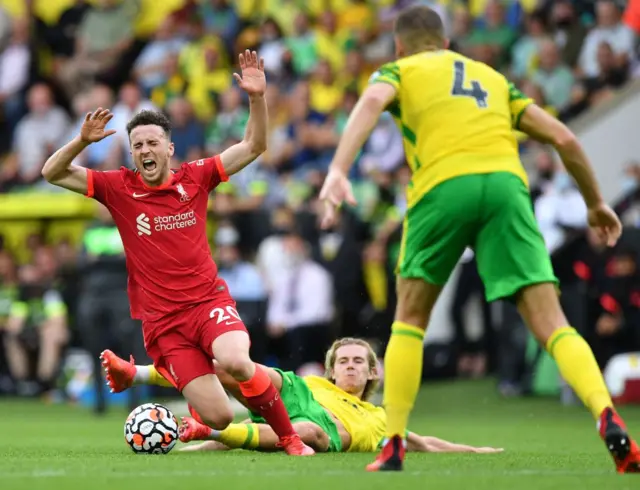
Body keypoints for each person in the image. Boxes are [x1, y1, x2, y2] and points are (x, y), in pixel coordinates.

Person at [318, 5, 639, 473]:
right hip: (507, 187)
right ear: (447, 45)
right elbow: (565, 139)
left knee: (408, 320)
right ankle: (607, 415)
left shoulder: (399, 69)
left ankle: (393, 445)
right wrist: (595, 203)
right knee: (553, 324)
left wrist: (339, 169)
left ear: (400, 45)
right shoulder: (490, 77)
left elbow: (369, 104)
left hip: (443, 186)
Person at [41, 50, 313, 456]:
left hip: (208, 302)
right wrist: (81, 140)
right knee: (219, 418)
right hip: (164, 322)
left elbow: (255, 144)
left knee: (237, 361)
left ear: (170, 148)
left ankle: (291, 438)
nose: (145, 150)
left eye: (152, 142)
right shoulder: (119, 187)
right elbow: (52, 172)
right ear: (132, 153)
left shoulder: (197, 176)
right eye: (137, 145)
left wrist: (257, 97)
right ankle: (166, 377)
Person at [101, 337, 503, 454]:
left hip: (328, 427)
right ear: (331, 368)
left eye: (358, 361)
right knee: (232, 367)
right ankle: (133, 374)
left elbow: (422, 442)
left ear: (372, 371)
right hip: (298, 393)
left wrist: (475, 451)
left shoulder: (382, 418)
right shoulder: (315, 382)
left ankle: (203, 433)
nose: (349, 366)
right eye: (342, 360)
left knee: (305, 430)